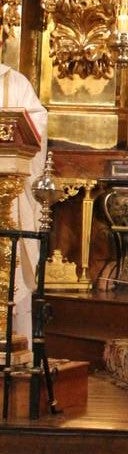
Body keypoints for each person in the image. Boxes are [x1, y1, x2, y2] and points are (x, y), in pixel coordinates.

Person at [0, 63, 48, 343]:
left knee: (11, 271)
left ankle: (13, 346)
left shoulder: (15, 83)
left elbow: (35, 128)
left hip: (7, 192)